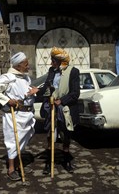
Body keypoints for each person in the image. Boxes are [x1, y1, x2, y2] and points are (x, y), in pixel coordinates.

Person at [0, 52, 37, 181]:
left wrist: (33, 92)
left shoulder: (27, 78)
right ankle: (11, 168)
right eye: (26, 64)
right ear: (18, 65)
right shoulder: (7, 77)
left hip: (27, 114)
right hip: (14, 114)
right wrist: (7, 100)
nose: (28, 66)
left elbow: (26, 93)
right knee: (13, 140)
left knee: (22, 140)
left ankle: (19, 164)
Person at [37, 46, 80, 174]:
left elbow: (75, 93)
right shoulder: (52, 71)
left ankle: (66, 161)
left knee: (65, 135)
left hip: (65, 108)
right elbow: (47, 87)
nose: (51, 63)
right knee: (50, 134)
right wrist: (38, 91)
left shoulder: (73, 71)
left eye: (53, 61)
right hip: (51, 107)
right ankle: (49, 163)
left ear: (61, 61)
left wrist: (61, 101)